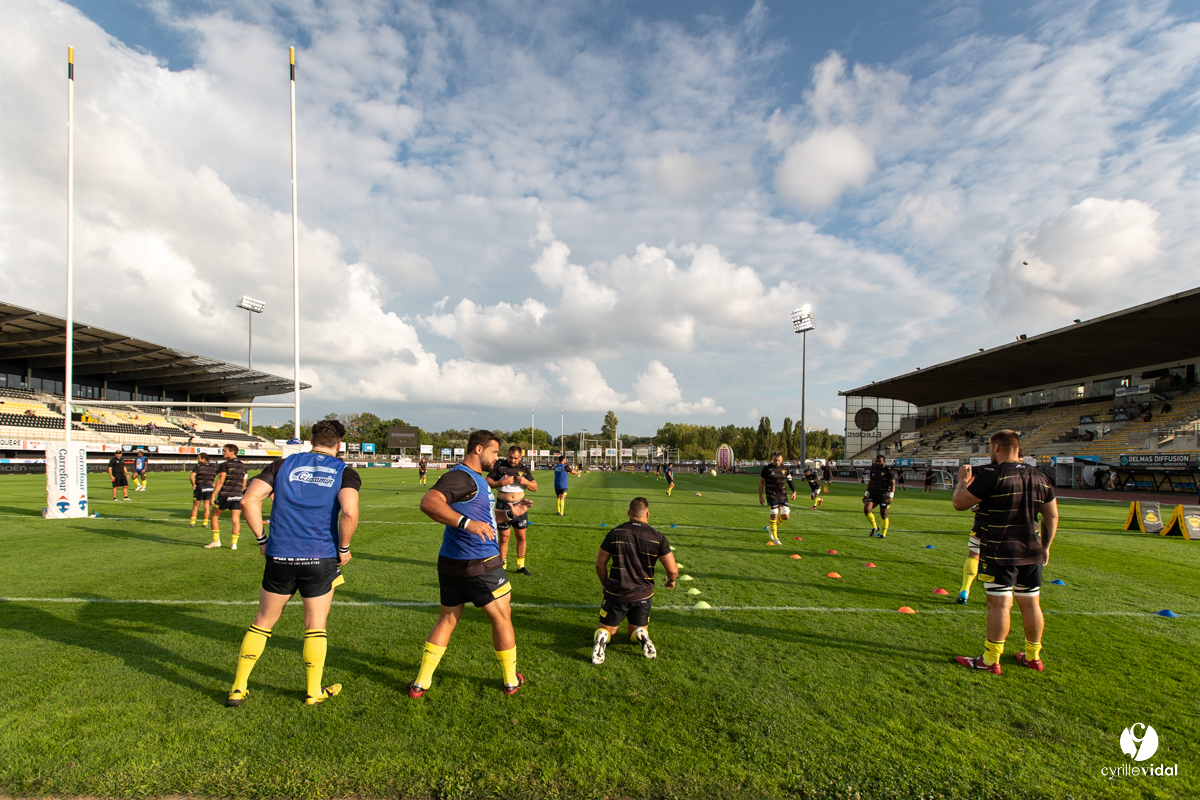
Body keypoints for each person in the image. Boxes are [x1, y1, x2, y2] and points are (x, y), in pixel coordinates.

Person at [225, 419, 360, 707]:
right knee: (315, 624)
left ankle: (238, 687)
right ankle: (313, 691)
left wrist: (262, 540)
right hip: (320, 556)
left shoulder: (282, 465)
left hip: (280, 555)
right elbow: (349, 512)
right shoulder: (344, 471)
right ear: (339, 445)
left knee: (263, 621)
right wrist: (344, 548)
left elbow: (249, 501)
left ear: (311, 440)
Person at [409, 430, 532, 698]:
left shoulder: (476, 479)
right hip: (480, 561)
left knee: (447, 619)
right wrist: (467, 524)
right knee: (502, 617)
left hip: (452, 561)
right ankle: (511, 681)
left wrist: (510, 513)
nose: (496, 458)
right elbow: (428, 502)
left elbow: (484, 515)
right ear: (478, 449)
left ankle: (421, 683)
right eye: (493, 452)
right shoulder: (462, 476)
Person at [952, 430, 1058, 674]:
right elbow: (1051, 515)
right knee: (1031, 603)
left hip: (1000, 550)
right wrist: (1046, 546)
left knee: (999, 604)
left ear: (997, 447)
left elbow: (959, 503)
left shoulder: (993, 475)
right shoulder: (1040, 476)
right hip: (1031, 549)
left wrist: (962, 481)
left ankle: (991, 660)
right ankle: (1033, 656)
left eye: (990, 448)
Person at [591, 497, 678, 665]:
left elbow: (600, 564)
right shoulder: (658, 537)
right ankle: (641, 634)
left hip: (616, 594)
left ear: (629, 513)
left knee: (607, 632)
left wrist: (604, 584)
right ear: (647, 514)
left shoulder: (615, 533)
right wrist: (670, 580)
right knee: (633, 635)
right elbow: (673, 571)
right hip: (643, 597)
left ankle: (602, 636)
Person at [487, 445, 538, 575]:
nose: (513, 460)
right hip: (503, 506)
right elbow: (488, 482)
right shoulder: (499, 466)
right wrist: (501, 483)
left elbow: (534, 487)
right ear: (507, 455)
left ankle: (521, 566)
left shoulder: (524, 469)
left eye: (516, 458)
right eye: (510, 457)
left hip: (520, 506)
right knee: (504, 538)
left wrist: (526, 482)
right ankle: (502, 566)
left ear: (520, 457)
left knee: (521, 536)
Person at [207, 444, 248, 550]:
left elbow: (221, 481)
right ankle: (234, 544)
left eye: (225, 450)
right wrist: (239, 492)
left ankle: (216, 541)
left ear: (232, 452)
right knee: (236, 520)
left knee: (214, 516)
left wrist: (213, 494)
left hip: (225, 495)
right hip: (238, 495)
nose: (223, 452)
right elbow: (244, 482)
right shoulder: (243, 465)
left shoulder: (225, 465)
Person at [758, 451, 796, 546]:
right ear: (772, 459)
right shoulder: (767, 468)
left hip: (783, 495)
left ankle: (770, 528)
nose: (777, 462)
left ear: (782, 459)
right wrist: (760, 496)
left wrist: (794, 491)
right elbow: (761, 482)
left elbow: (789, 480)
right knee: (774, 516)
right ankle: (775, 539)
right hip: (771, 495)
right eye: (775, 460)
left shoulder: (785, 468)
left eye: (778, 460)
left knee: (786, 516)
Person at [863, 455, 896, 537]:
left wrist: (891, 496)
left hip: (884, 496)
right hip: (873, 494)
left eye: (879, 461)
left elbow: (893, 484)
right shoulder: (873, 470)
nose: (877, 463)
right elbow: (870, 483)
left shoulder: (889, 471)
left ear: (884, 461)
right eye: (876, 461)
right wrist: (866, 494)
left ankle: (883, 534)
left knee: (884, 515)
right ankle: (875, 527)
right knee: (866, 510)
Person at [189, 452, 218, 529]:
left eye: (198, 458)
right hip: (209, 488)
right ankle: (205, 523)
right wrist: (215, 484)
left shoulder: (198, 467)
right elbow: (221, 476)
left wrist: (193, 485)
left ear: (203, 459)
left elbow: (191, 477)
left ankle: (192, 523)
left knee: (195, 506)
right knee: (206, 506)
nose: (197, 459)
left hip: (200, 487)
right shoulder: (213, 467)